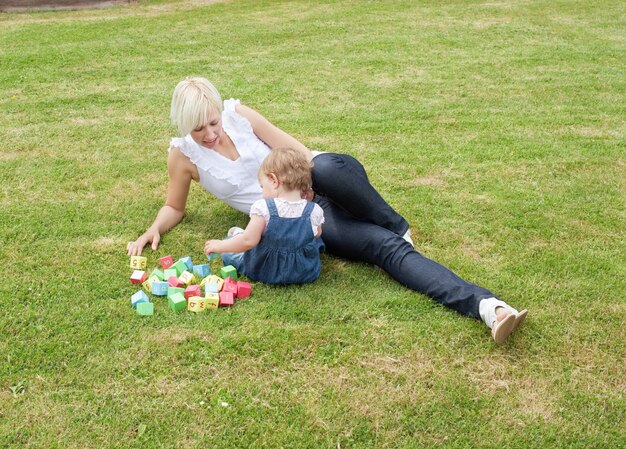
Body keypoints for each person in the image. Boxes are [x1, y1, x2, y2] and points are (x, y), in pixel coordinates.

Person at [126, 77, 528, 343]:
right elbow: (174, 206)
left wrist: (305, 186)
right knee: (383, 250)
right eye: (200, 129)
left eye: (213, 123)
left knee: (324, 167)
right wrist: (153, 229)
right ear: (184, 125)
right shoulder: (183, 156)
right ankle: (489, 308)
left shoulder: (239, 115)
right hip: (296, 218)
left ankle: (396, 225)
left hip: (323, 177)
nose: (211, 134)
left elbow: (298, 152)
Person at [203, 146, 325, 284]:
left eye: (262, 186)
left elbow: (248, 241)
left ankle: (236, 235)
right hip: (304, 272)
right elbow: (317, 234)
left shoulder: (264, 208)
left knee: (232, 252)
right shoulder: (314, 210)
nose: (262, 192)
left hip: (266, 270)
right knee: (314, 239)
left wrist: (220, 246)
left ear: (273, 180)